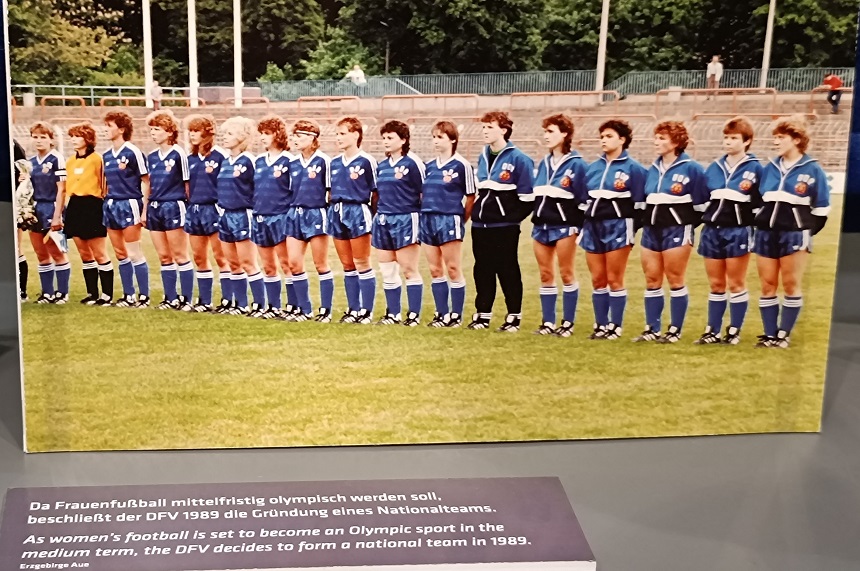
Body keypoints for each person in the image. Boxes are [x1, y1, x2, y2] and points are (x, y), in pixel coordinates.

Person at [752, 116, 830, 348]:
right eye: (774, 138)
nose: (775, 142)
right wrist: (761, 220)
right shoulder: (769, 168)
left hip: (795, 235)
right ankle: (769, 334)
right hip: (766, 233)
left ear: (796, 139)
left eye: (781, 138)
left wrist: (803, 231)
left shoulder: (813, 169)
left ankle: (783, 334)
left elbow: (822, 209)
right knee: (767, 285)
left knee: (790, 284)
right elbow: (758, 200)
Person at [635, 121, 708, 343]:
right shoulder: (653, 168)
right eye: (656, 137)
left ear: (676, 141)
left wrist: (682, 223)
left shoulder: (692, 168)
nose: (656, 142)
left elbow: (702, 206)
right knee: (652, 278)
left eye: (662, 138)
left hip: (677, 230)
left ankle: (674, 330)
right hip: (651, 231)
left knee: (675, 278)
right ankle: (652, 329)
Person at [695, 116, 763, 345]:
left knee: (736, 283)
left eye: (734, 138)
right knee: (715, 284)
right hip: (712, 230)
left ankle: (733, 330)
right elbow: (704, 199)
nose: (728, 142)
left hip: (738, 231)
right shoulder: (714, 167)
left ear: (747, 141)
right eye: (726, 137)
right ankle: (712, 330)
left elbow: (760, 203)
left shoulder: (756, 169)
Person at [467, 111, 534, 332]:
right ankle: (482, 315)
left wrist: (509, 219)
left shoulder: (519, 159)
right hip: (480, 226)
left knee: (507, 270)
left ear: (504, 130)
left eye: (490, 127)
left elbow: (527, 200)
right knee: (482, 270)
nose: (485, 131)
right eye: (484, 127)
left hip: (504, 228)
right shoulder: (483, 155)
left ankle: (513, 316)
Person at [581, 119, 648, 340]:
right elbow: (584, 201)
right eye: (602, 136)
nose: (604, 140)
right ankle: (600, 324)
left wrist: (630, 227)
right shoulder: (592, 168)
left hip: (619, 227)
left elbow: (640, 205)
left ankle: (615, 326)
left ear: (622, 140)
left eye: (609, 136)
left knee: (614, 278)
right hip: (592, 227)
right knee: (598, 279)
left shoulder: (634, 169)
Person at [530, 114, 588, 337]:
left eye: (551, 131)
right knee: (545, 274)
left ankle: (568, 323)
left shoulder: (577, 164)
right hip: (541, 226)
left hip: (565, 226)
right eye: (545, 131)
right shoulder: (543, 163)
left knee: (566, 273)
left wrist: (580, 227)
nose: (546, 136)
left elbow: (584, 198)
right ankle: (548, 322)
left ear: (565, 134)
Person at [420, 120, 475, 328]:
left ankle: (456, 315)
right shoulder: (429, 166)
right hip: (427, 219)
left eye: (440, 137)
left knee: (452, 268)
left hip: (449, 219)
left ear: (452, 139)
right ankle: (441, 313)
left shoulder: (462, 165)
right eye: (434, 137)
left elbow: (471, 197)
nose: (435, 141)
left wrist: (461, 219)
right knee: (435, 269)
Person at [373, 120, 426, 326]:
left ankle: (413, 315)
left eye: (390, 138)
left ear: (403, 140)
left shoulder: (413, 163)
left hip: (406, 218)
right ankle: (392, 314)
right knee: (387, 269)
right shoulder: (382, 165)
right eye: (384, 138)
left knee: (408, 268)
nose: (386, 142)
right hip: (384, 218)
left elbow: (423, 193)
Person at [329, 116, 378, 324]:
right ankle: (353, 309)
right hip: (337, 211)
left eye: (343, 133)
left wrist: (370, 215)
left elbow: (376, 193)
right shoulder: (334, 163)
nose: (338, 138)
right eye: (337, 134)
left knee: (361, 261)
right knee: (347, 264)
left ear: (356, 135)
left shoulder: (366, 161)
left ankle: (366, 311)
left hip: (358, 211)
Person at [215, 116, 264, 316]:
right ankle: (240, 304)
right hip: (225, 215)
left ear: (243, 137)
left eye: (230, 133)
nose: (224, 137)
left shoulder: (250, 161)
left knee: (248, 263)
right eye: (224, 133)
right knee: (233, 263)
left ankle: (261, 305)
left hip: (243, 215)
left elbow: (258, 189)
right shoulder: (225, 161)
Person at [145, 110, 193, 311]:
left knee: (180, 254)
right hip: (155, 207)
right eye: (152, 129)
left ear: (169, 131)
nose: (153, 133)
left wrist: (188, 207)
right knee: (164, 256)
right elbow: (149, 184)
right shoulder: (152, 156)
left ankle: (187, 299)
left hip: (173, 206)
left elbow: (187, 184)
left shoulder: (179, 154)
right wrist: (144, 208)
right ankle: (170, 297)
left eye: (157, 129)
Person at [286, 119, 333, 322]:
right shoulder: (292, 163)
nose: (296, 140)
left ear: (313, 138)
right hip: (295, 214)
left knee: (320, 264)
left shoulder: (324, 161)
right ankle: (305, 310)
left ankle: (326, 310)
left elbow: (330, 192)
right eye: (295, 135)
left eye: (301, 136)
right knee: (294, 264)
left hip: (316, 214)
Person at [102, 110, 150, 308]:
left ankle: (144, 296)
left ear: (121, 129)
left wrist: (144, 209)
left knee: (134, 252)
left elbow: (146, 181)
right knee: (120, 253)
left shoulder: (133, 152)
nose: (106, 130)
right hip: (111, 204)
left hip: (129, 204)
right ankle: (128, 295)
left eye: (109, 126)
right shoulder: (106, 155)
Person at [61, 122, 113, 305]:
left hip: (93, 205)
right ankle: (92, 293)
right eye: (72, 136)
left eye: (78, 136)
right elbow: (67, 187)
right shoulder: (70, 161)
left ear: (88, 139)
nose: (74, 140)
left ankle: (107, 295)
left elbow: (104, 184)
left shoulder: (97, 159)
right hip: (75, 205)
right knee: (84, 253)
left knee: (99, 253)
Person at [184, 114, 230, 313]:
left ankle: (229, 300)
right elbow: (187, 186)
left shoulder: (220, 156)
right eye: (190, 131)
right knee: (199, 257)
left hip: (214, 209)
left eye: (196, 131)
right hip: (194, 210)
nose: (192, 135)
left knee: (221, 256)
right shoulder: (190, 159)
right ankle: (205, 301)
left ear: (208, 133)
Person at [22, 123, 71, 304]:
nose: (39, 141)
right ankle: (47, 292)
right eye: (35, 137)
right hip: (35, 209)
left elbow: (62, 189)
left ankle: (63, 293)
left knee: (57, 251)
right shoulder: (31, 162)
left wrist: (58, 215)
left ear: (51, 140)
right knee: (41, 253)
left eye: (43, 137)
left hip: (52, 208)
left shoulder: (57, 159)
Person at [252, 115, 295, 319]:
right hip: (261, 216)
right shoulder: (259, 161)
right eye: (261, 133)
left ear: (278, 135)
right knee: (268, 266)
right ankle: (273, 306)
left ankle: (293, 306)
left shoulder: (290, 161)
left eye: (267, 133)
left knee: (287, 264)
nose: (263, 137)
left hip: (281, 217)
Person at [13, 138, 31, 302]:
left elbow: (24, 174)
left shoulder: (13, 145)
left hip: (11, 205)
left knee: (15, 249)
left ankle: (21, 292)